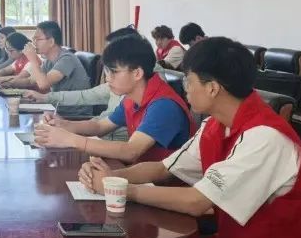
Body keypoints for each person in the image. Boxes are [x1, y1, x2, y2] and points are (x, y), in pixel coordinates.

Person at [78, 37, 301, 238]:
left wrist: (123, 189)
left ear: (212, 88)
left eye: (189, 80)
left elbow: (197, 202)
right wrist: (110, 177)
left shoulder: (265, 137)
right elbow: (162, 168)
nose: (185, 88)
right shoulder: (215, 125)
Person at [34, 35, 194, 163]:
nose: (107, 78)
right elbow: (100, 126)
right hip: (138, 174)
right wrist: (64, 125)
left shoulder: (163, 105)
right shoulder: (131, 98)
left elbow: (131, 151)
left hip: (162, 186)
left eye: (113, 72)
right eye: (106, 71)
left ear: (137, 73)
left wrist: (70, 140)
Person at [22, 26, 140, 137]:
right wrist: (64, 124)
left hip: (93, 131)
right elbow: (86, 100)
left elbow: (129, 147)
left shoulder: (140, 96)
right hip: (95, 135)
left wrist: (70, 130)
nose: (107, 77)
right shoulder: (116, 88)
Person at [1, 21, 90, 93]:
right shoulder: (49, 61)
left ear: (51, 42)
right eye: (34, 39)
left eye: (38, 39)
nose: (34, 43)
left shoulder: (67, 59)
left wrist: (33, 59)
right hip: (57, 107)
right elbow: (31, 81)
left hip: (72, 110)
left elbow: (43, 84)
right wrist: (9, 83)